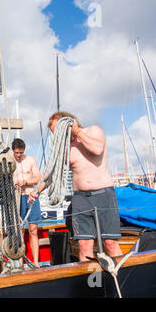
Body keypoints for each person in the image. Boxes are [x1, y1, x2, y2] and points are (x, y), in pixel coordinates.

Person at [29, 111, 123, 262]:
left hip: (103, 195)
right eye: (55, 133)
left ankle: (120, 279)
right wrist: (36, 191)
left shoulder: (93, 131)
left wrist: (77, 131)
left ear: (68, 123)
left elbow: (97, 149)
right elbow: (51, 173)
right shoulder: (64, 148)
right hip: (80, 199)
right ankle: (91, 283)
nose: (57, 136)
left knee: (110, 242)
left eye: (58, 131)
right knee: (84, 244)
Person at [11, 138, 42, 267]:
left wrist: (27, 182)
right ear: (13, 150)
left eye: (21, 152)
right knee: (20, 230)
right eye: (16, 153)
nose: (18, 155)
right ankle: (21, 263)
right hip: (17, 197)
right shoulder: (9, 161)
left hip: (30, 196)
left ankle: (35, 262)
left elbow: (39, 178)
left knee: (33, 229)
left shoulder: (30, 160)